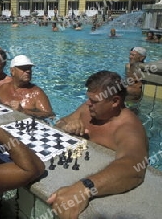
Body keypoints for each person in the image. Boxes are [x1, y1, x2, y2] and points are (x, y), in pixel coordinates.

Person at [49, 70, 148, 219]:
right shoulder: (88, 109)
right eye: (89, 99)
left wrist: (84, 188)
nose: (88, 104)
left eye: (94, 101)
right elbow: (60, 122)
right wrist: (66, 126)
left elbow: (134, 167)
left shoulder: (128, 128)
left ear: (115, 101)